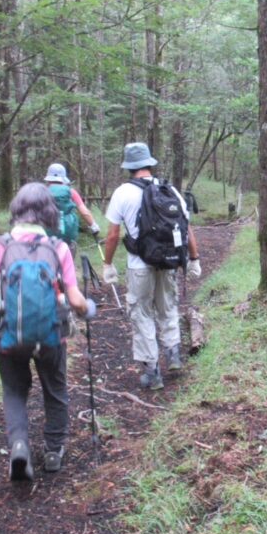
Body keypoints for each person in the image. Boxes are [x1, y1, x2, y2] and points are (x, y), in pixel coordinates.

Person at [0, 182, 96, 478]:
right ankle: (53, 451)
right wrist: (88, 309)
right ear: (49, 213)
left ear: (16, 210)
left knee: (14, 391)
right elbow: (76, 300)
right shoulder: (58, 248)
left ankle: (19, 446)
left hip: (8, 336)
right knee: (55, 389)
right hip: (51, 335)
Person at [102, 142, 201, 390]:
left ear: (129, 167)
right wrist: (194, 258)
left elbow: (113, 235)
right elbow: (186, 228)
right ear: (149, 164)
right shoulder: (170, 189)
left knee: (142, 313)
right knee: (167, 306)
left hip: (139, 264)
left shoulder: (122, 193)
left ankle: (152, 371)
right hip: (168, 262)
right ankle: (173, 355)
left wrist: (108, 263)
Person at [43, 162, 100, 253]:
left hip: (47, 236)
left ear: (48, 178)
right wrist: (93, 226)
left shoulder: (42, 192)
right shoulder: (71, 192)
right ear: (63, 178)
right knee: (68, 257)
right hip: (68, 235)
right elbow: (84, 212)